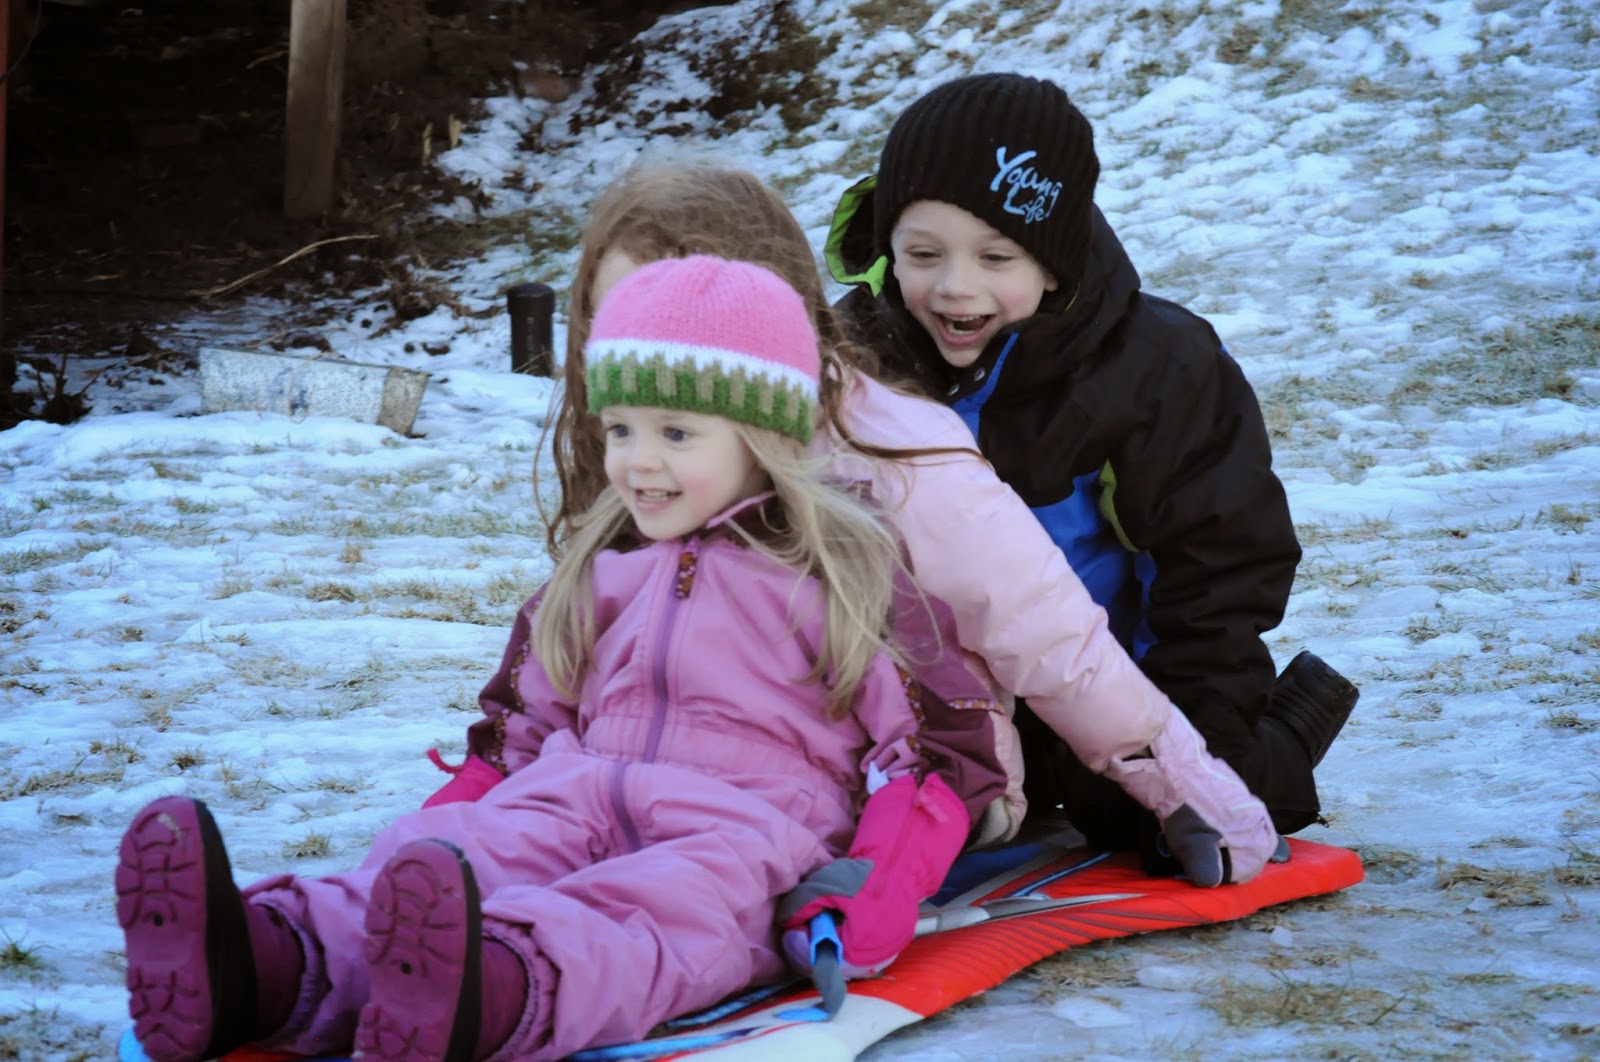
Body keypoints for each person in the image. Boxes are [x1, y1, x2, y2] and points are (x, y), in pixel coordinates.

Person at [115, 255, 1010, 1062]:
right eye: (620, 429)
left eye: (676, 433)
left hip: (744, 831)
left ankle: (488, 990)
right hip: (572, 792)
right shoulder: (604, 565)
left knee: (653, 915)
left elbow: (933, 758)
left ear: (765, 434)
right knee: (465, 851)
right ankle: (262, 961)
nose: (637, 462)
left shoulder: (844, 573)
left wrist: (866, 897)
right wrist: (437, 840)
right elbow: (514, 740)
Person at [526, 156, 1282, 888]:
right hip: (704, 764)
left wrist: (1186, 788)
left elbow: (1047, 632)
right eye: (619, 312)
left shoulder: (887, 449)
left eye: (685, 311)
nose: (650, 346)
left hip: (905, 770)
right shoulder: (636, 446)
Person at [821, 72, 1360, 852]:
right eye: (923, 253)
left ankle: (1286, 737)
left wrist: (1200, 730)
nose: (955, 287)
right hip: (939, 689)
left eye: (996, 256)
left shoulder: (1156, 370)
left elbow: (1218, 564)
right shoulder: (852, 372)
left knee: (1159, 809)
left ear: (1054, 261)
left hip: (1111, 678)